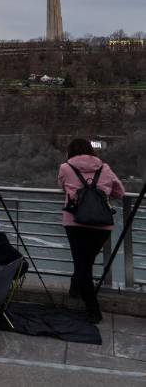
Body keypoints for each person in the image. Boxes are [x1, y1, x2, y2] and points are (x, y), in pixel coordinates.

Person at [58, 138, 125, 323]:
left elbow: (62, 187)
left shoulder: (65, 168)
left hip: (75, 222)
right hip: (102, 225)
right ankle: (75, 289)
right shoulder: (105, 167)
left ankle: (93, 310)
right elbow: (120, 192)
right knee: (85, 262)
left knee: (82, 265)